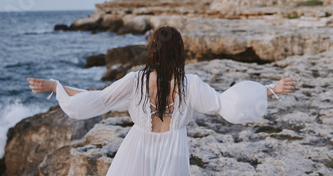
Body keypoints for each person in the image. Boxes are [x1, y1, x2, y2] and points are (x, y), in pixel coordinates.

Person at [28, 26, 296, 175]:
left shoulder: (135, 80)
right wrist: (270, 89)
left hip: (137, 148)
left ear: (152, 50)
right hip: (173, 150)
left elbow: (96, 101)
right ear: (180, 52)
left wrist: (56, 87)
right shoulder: (190, 83)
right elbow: (226, 105)